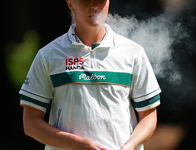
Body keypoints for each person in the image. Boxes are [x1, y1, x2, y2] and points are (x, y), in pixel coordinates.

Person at [19, 0, 161, 150]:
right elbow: (31, 123)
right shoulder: (48, 55)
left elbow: (148, 116)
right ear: (70, 3)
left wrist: (131, 145)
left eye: (100, 0)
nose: (94, 6)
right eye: (86, 0)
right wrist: (74, 144)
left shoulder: (133, 53)